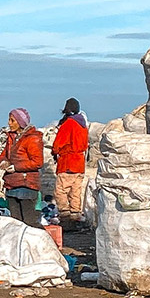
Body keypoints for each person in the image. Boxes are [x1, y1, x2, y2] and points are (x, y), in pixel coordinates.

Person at [0, 108, 43, 227]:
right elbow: (4, 155)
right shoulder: (11, 138)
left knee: (29, 222)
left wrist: (16, 167)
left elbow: (37, 162)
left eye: (12, 120)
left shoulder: (33, 139)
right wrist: (3, 162)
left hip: (26, 185)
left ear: (20, 122)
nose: (9, 123)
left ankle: (40, 243)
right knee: (15, 223)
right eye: (9, 120)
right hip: (12, 185)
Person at [51, 97, 88, 228]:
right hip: (80, 164)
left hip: (68, 162)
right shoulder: (83, 125)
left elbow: (58, 144)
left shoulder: (69, 124)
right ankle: (76, 216)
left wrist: (55, 152)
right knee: (75, 191)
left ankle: (65, 218)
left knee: (61, 191)